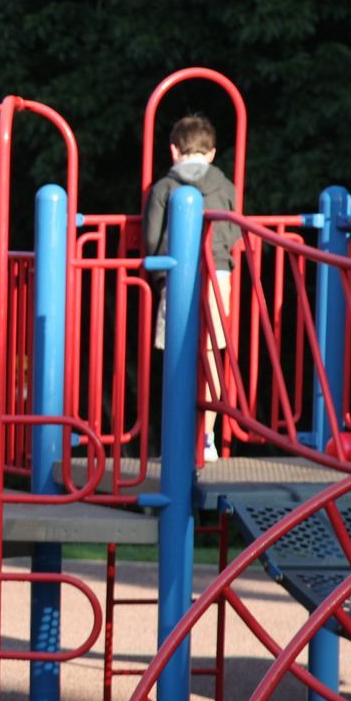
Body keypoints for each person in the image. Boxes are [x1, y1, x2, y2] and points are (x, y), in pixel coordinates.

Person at [140, 114, 240, 460]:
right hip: (218, 275)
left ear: (173, 150)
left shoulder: (164, 188)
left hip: (177, 275)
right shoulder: (225, 186)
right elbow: (233, 232)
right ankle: (208, 437)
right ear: (211, 153)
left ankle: (178, 435)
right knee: (211, 354)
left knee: (177, 353)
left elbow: (151, 237)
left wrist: (156, 270)